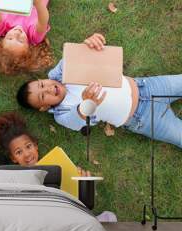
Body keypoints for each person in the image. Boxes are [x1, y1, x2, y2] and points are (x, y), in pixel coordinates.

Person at [17, 33, 182, 148]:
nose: (47, 89)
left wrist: (90, 42)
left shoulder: (62, 72)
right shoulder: (62, 114)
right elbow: (79, 119)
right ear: (45, 107)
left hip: (146, 86)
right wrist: (86, 103)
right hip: (143, 118)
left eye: (41, 85)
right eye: (43, 96)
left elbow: (79, 54)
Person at [0, 112, 90, 176]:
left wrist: (78, 180)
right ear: (13, 158)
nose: (27, 154)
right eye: (19, 152)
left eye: (28, 146)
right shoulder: (16, 179)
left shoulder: (56, 165)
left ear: (35, 145)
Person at [0, 0, 54, 75]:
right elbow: (43, 19)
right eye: (20, 40)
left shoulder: (2, 29)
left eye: (10, 38)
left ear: (2, 41)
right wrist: (38, 4)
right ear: (29, 48)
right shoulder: (34, 37)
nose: (17, 33)